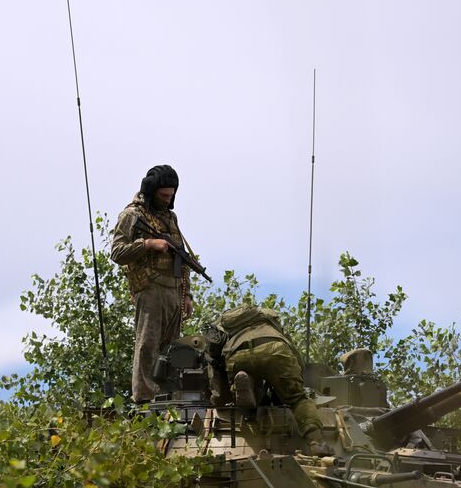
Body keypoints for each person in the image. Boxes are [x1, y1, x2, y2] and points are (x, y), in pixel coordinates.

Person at [110, 164, 197, 403]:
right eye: (163, 195)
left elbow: (181, 257)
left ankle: (167, 397)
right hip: (150, 288)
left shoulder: (170, 217)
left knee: (172, 350)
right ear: (151, 191)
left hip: (174, 290)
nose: (168, 200)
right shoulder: (132, 215)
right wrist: (147, 244)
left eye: (171, 196)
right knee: (148, 345)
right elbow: (117, 252)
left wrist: (186, 294)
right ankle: (144, 400)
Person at [207, 304, 333, 457]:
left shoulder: (223, 325)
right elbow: (294, 353)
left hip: (237, 354)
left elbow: (215, 361)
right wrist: (295, 380)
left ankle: (250, 396)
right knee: (298, 398)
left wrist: (218, 399)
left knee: (248, 389)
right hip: (275, 349)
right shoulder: (269, 320)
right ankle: (317, 444)